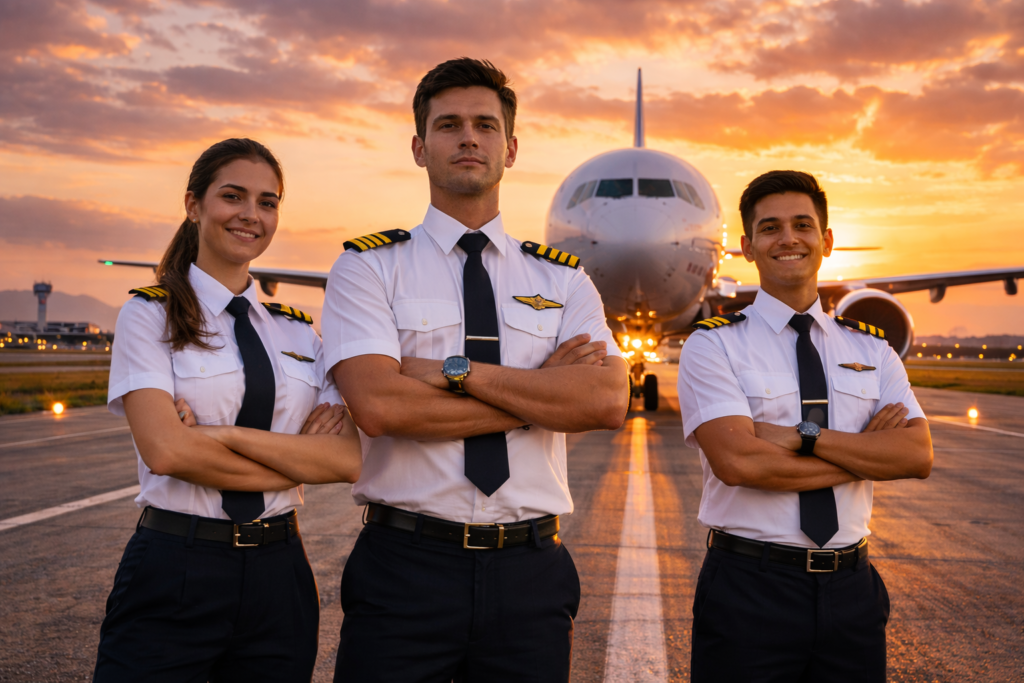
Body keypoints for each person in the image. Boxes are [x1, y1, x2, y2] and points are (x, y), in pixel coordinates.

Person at [322, 58, 630, 681]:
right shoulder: (369, 267)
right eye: (450, 125)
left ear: (510, 148)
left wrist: (452, 372)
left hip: (530, 570)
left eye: (486, 126)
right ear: (419, 146)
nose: (469, 138)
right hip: (405, 566)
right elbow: (382, 409)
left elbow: (602, 403)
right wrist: (543, 388)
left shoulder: (563, 278)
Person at [93, 138, 362, 682]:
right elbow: (166, 451)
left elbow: (345, 461)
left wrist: (214, 437)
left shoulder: (298, 331)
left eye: (267, 202)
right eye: (233, 196)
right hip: (176, 564)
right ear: (194, 205)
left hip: (280, 573)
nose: (251, 215)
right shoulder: (150, 317)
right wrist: (294, 460)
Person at [678, 169, 933, 682]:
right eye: (770, 228)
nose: (788, 238)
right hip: (750, 589)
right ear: (747, 247)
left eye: (803, 225)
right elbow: (739, 462)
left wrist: (803, 438)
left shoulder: (872, 348)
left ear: (828, 240)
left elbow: (916, 456)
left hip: (852, 592)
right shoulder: (713, 343)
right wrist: (864, 453)